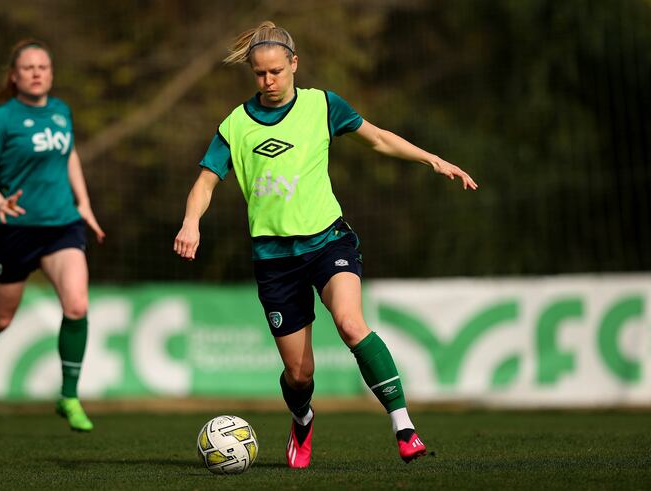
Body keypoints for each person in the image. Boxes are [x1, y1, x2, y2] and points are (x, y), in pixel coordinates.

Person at [173, 21, 477, 466]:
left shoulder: (323, 105)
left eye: (276, 71)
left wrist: (430, 158)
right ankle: (302, 419)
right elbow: (204, 183)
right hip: (274, 260)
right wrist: (190, 223)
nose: (268, 81)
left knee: (352, 324)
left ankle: (404, 426)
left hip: (328, 241)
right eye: (259, 74)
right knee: (300, 374)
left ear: (294, 64)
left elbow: (378, 138)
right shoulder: (236, 125)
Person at [0, 39, 105, 437]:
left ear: (51, 73)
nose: (37, 72)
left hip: (61, 226)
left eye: (43, 66)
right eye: (29, 67)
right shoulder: (1, 120)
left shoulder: (61, 112)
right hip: (13, 231)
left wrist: (83, 202)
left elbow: (68, 154)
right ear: (14, 76)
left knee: (77, 304)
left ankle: (68, 396)